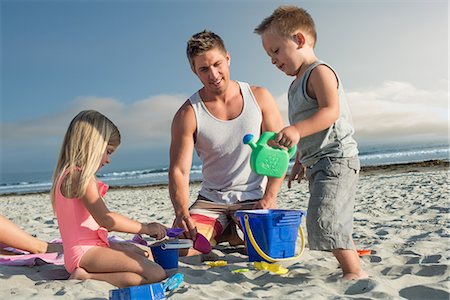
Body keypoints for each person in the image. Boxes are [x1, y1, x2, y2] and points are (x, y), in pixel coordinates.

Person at [254, 6, 368, 280]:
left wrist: (295, 129)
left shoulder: (320, 72)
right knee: (331, 212)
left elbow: (330, 111)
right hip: (318, 162)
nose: (272, 60)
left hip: (337, 159)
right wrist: (299, 160)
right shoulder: (295, 85)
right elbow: (308, 132)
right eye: (269, 55)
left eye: (276, 51)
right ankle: (351, 261)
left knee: (323, 216)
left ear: (300, 40)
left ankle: (354, 272)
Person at [169, 30, 286, 256]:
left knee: (270, 248)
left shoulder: (259, 97)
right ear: (194, 71)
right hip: (211, 200)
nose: (213, 74)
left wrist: (269, 197)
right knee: (185, 250)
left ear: (228, 59)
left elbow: (279, 154)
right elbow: (179, 170)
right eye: (204, 69)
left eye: (217, 64)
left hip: (253, 198)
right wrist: (182, 211)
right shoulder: (188, 113)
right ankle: (224, 229)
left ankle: (229, 229)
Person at [50, 110, 167, 287]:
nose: (108, 160)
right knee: (156, 273)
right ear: (93, 145)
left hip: (92, 247)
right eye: (108, 152)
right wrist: (145, 228)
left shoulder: (68, 175)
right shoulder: (79, 177)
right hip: (85, 252)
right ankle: (85, 277)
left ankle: (89, 273)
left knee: (145, 253)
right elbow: (107, 220)